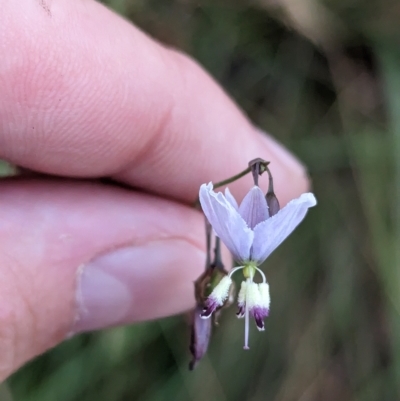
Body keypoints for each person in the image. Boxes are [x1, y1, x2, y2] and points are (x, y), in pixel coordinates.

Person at [0, 0, 308, 381]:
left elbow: (216, 204)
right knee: (239, 264)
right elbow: (213, 200)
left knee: (241, 266)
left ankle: (223, 292)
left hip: (244, 255)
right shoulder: (246, 248)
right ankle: (222, 291)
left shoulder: (245, 251)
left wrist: (229, 259)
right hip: (243, 254)